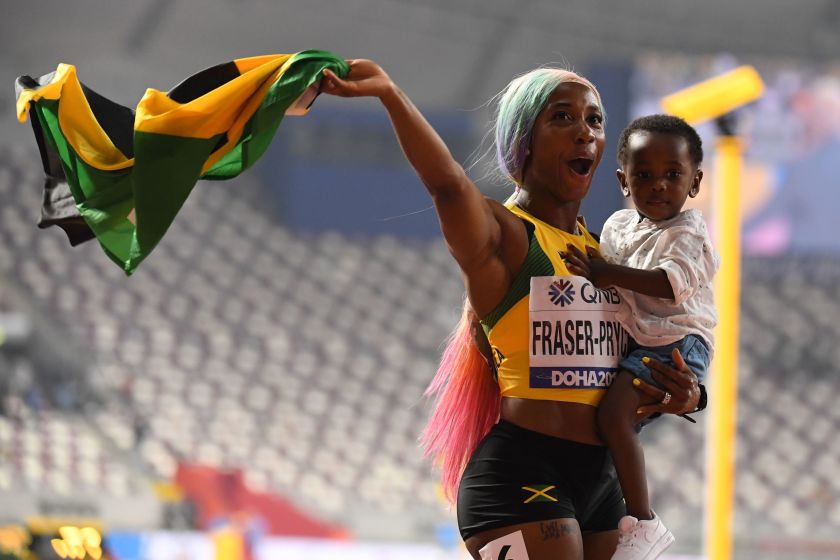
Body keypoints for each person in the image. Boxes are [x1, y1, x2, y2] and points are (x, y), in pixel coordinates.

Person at [321, 61, 704, 560]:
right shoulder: (506, 235)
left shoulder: (607, 255)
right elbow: (448, 186)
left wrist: (688, 395)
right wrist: (391, 94)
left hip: (604, 483)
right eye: (563, 118)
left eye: (594, 120)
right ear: (524, 140)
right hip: (522, 473)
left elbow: (644, 358)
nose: (585, 132)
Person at [563, 114, 717, 559]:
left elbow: (670, 285)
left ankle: (644, 522)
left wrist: (606, 271)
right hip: (639, 337)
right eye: (644, 175)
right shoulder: (617, 226)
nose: (659, 186)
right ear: (623, 180)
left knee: (614, 418)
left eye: (673, 175)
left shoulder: (689, 233)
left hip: (676, 340)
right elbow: (603, 264)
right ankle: (605, 507)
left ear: (694, 182)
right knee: (613, 424)